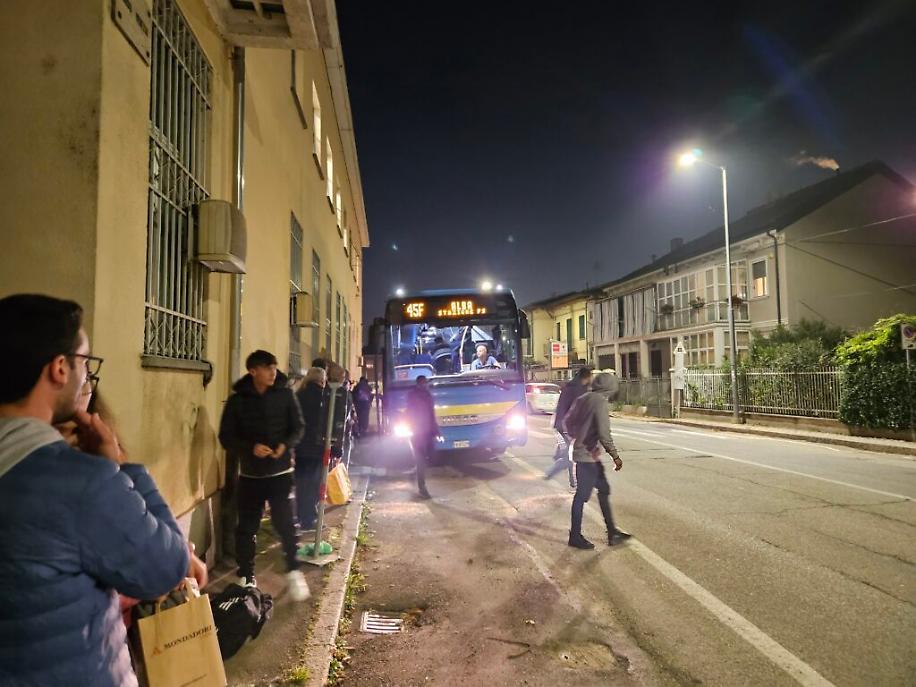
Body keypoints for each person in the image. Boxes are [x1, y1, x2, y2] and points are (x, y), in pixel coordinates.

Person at [0, 294, 191, 687]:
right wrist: (119, 468)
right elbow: (164, 568)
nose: (86, 375)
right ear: (59, 368)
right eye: (84, 361)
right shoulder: (79, 483)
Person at [219, 350, 309, 600]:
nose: (273, 372)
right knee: (246, 528)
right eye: (267, 368)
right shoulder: (238, 401)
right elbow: (226, 436)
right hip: (251, 476)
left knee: (286, 525)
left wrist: (284, 445)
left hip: (280, 473)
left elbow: (298, 427)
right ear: (253, 371)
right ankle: (246, 575)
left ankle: (293, 571)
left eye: (274, 367)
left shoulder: (285, 394)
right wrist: (250, 448)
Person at [563, 371, 631, 550]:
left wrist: (577, 437)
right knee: (581, 497)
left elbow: (567, 422)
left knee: (604, 489)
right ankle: (575, 536)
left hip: (585, 454)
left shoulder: (583, 398)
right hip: (587, 457)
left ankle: (612, 532)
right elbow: (604, 433)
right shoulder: (600, 402)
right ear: (610, 388)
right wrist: (615, 456)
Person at [545, 367, 593, 487]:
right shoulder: (578, 390)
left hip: (562, 425)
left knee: (571, 454)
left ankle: (573, 480)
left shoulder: (572, 387)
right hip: (567, 427)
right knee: (571, 456)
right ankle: (552, 472)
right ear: (586, 377)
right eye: (591, 376)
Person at [294, 366, 326, 533]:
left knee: (301, 483)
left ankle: (301, 515)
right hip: (317, 447)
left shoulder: (299, 394)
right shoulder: (324, 397)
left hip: (300, 447)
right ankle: (309, 518)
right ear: (322, 380)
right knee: (314, 484)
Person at [406, 375, 440, 499]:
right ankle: (422, 487)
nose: (425, 385)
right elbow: (410, 413)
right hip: (418, 433)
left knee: (426, 458)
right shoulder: (416, 395)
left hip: (425, 432)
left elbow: (431, 414)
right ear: (420, 384)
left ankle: (420, 476)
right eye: (424, 383)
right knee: (421, 459)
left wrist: (436, 431)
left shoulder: (425, 395)